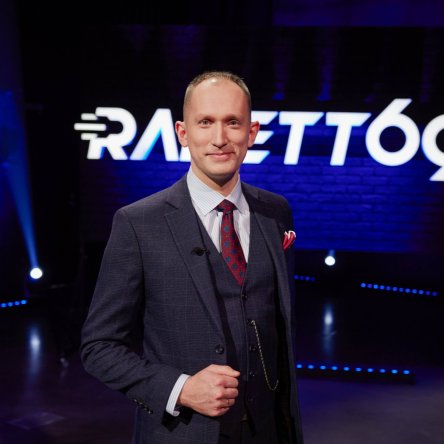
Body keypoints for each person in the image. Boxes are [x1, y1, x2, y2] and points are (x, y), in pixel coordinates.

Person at [80, 71, 303, 443]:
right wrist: (179, 388)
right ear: (183, 133)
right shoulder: (138, 223)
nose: (219, 138)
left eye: (233, 122)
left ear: (252, 132)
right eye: (205, 122)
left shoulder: (275, 212)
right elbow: (99, 347)